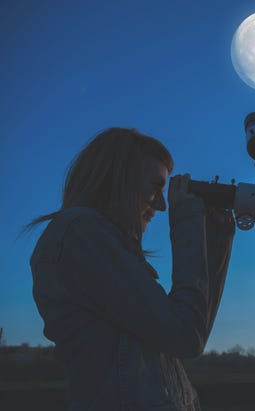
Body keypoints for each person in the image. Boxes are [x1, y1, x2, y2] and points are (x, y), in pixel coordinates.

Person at [28, 128, 235, 410]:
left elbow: (192, 334)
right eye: (154, 187)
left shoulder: (101, 245)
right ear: (118, 179)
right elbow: (186, 336)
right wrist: (187, 222)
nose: (162, 206)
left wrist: (216, 239)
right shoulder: (78, 231)